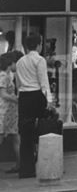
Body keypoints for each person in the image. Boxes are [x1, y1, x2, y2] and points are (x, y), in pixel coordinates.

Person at [15, 34, 50, 178]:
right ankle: (43, 164)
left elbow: (17, 83)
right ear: (38, 45)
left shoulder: (20, 61)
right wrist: (49, 102)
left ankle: (26, 169)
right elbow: (44, 82)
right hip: (36, 95)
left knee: (25, 134)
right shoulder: (40, 60)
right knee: (42, 131)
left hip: (23, 97)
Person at [0, 51, 22, 174]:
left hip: (10, 112)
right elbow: (2, 94)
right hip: (4, 111)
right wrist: (16, 99)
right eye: (15, 63)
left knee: (15, 138)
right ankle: (20, 164)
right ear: (10, 63)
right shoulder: (4, 76)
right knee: (6, 138)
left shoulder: (8, 75)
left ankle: (20, 164)